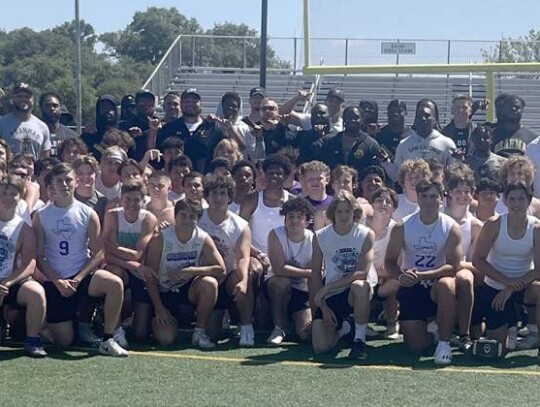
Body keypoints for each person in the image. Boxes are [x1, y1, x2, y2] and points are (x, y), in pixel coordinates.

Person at [33, 163, 129, 356]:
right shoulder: (41, 216)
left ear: (76, 181)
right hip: (56, 281)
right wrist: (57, 281)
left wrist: (79, 277)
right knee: (65, 342)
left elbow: (98, 253)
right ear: (51, 186)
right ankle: (55, 326)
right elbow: (39, 256)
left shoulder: (88, 213)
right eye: (59, 181)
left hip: (82, 277)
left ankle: (108, 338)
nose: (65, 184)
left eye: (68, 180)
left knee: (114, 283)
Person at [385, 179, 461, 365]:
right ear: (417, 198)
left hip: (437, 284)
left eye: (433, 196)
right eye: (424, 196)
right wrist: (401, 276)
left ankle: (444, 343)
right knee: (415, 346)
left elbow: (453, 266)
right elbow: (389, 262)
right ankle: (434, 331)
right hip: (412, 286)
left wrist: (424, 275)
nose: (428, 201)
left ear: (442, 198)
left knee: (447, 283)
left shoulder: (451, 227)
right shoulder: (402, 226)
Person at [144, 199, 226, 348]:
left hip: (187, 289)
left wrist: (192, 271)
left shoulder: (203, 238)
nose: (187, 220)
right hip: (163, 291)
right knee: (166, 339)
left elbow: (221, 270)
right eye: (183, 215)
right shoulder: (161, 239)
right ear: (175, 216)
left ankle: (199, 332)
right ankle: (152, 320)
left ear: (198, 219)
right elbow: (149, 277)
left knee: (210, 283)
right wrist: (159, 308)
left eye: (192, 216)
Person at [472, 182, 540, 359]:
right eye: (512, 199)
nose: (516, 204)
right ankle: (510, 325)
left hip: (523, 288)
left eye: (521, 199)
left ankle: (534, 334)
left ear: (529, 201)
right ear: (505, 200)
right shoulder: (494, 224)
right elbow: (477, 260)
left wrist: (511, 287)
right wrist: (505, 282)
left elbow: (539, 269)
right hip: (495, 289)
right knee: (499, 351)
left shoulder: (537, 228)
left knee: (539, 289)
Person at [311, 190, 376, 360]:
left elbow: (361, 273)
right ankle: (346, 328)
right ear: (332, 213)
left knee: (359, 286)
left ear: (354, 212)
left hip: (354, 291)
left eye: (347, 211)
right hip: (332, 293)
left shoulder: (366, 234)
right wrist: (323, 306)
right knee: (321, 347)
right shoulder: (320, 236)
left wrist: (327, 288)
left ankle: (359, 340)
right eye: (339, 211)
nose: (343, 215)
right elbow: (316, 273)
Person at [198, 176, 254, 346]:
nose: (218, 198)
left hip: (230, 277)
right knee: (212, 334)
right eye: (214, 193)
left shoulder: (240, 225)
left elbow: (244, 257)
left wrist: (243, 281)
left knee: (243, 277)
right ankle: (203, 328)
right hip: (206, 277)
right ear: (206, 197)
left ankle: (246, 327)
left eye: (223, 193)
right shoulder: (197, 219)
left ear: (230, 197)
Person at [102, 180, 158, 342]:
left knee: (140, 334)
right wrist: (130, 264)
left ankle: (131, 318)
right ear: (121, 199)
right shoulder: (112, 216)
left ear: (143, 200)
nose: (132, 204)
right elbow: (105, 253)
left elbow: (138, 254)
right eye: (128, 199)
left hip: (141, 271)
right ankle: (116, 328)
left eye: (136, 200)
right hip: (121, 267)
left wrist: (115, 249)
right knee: (114, 274)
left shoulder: (148, 219)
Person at [0, 175, 48, 357]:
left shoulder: (24, 228)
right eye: (3, 192)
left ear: (20, 197)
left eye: (13, 194)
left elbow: (30, 264)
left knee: (36, 292)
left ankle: (33, 339)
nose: (7, 197)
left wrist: (7, 283)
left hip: (9, 282)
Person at [444, 163, 483, 349]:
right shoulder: (439, 216)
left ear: (472, 193)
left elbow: (477, 264)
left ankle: (464, 334)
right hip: (437, 270)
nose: (462, 196)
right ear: (449, 192)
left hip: (461, 269)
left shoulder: (476, 225)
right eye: (458, 191)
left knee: (465, 278)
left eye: (466, 191)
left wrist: (457, 265)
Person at [266, 197, 314, 345]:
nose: (294, 221)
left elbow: (317, 272)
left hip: (302, 290)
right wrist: (307, 272)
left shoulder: (314, 239)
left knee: (306, 335)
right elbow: (279, 269)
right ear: (285, 219)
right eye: (290, 216)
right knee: (282, 282)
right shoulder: (275, 234)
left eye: (299, 217)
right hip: (276, 286)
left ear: (307, 221)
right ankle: (278, 328)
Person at [157, 88, 225, 173]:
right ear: (181, 104)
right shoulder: (168, 128)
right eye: (187, 101)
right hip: (176, 179)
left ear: (201, 104)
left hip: (204, 180)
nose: (190, 104)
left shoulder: (213, 128)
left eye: (194, 101)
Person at [365, 186, 400, 338]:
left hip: (386, 275)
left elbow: (399, 264)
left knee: (395, 282)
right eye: (379, 200)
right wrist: (372, 274)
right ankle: (361, 324)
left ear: (394, 208)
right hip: (362, 273)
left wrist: (382, 274)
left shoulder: (397, 229)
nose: (383, 204)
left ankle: (392, 323)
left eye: (388, 202)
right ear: (372, 204)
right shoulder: (360, 224)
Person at [315, 106, 381, 177]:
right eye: (349, 117)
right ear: (344, 119)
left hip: (359, 186)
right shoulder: (330, 141)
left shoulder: (371, 144)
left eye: (356, 118)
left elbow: (375, 171)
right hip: (335, 185)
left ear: (362, 120)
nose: (352, 120)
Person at [393, 101, 456, 174]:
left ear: (434, 120)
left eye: (427, 116)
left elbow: (454, 174)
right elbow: (396, 175)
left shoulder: (447, 143)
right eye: (419, 116)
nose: (423, 119)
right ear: (415, 120)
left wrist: (458, 160)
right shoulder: (403, 144)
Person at [0, 83, 51, 159]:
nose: (23, 99)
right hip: (9, 169)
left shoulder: (43, 127)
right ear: (12, 100)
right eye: (19, 96)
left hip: (34, 169)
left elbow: (45, 159)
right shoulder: (2, 123)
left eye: (27, 97)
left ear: (33, 100)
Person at [39, 92, 79, 157]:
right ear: (41, 107)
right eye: (48, 105)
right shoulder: (33, 133)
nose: (52, 108)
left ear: (60, 108)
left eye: (55, 106)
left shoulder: (73, 136)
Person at [81, 95, 119, 161]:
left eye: (110, 108)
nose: (107, 111)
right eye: (104, 107)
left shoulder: (124, 135)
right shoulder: (89, 135)